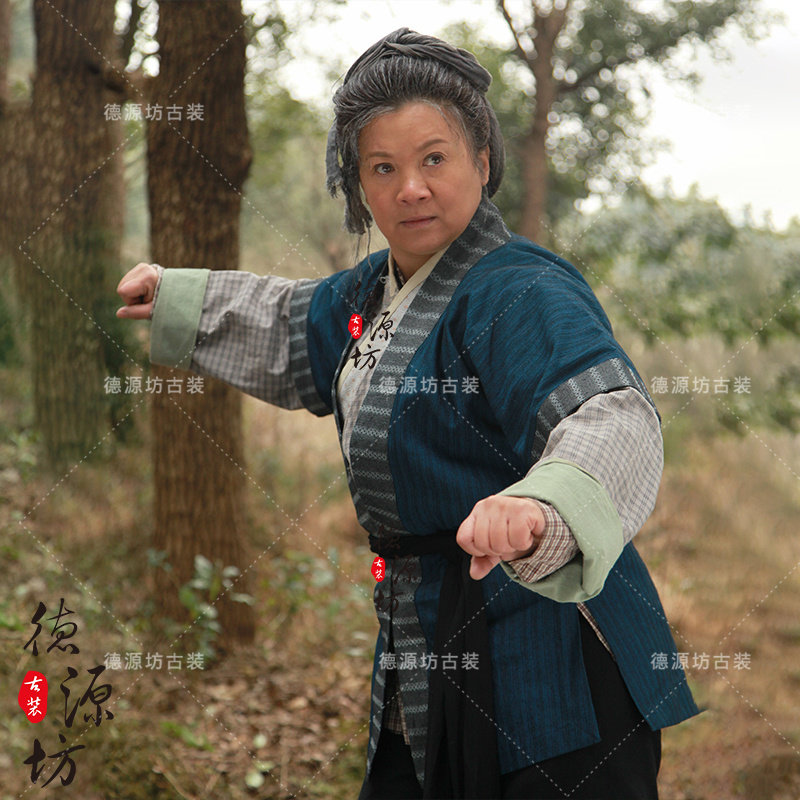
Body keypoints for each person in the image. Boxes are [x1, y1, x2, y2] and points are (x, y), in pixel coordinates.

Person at [117, 28, 698, 800]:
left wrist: (541, 501)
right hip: (431, 644)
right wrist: (179, 299)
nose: (410, 189)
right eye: (382, 168)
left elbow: (611, 412)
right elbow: (290, 322)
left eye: (433, 159)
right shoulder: (368, 295)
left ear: (482, 162)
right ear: (358, 185)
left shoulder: (521, 291)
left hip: (558, 669)